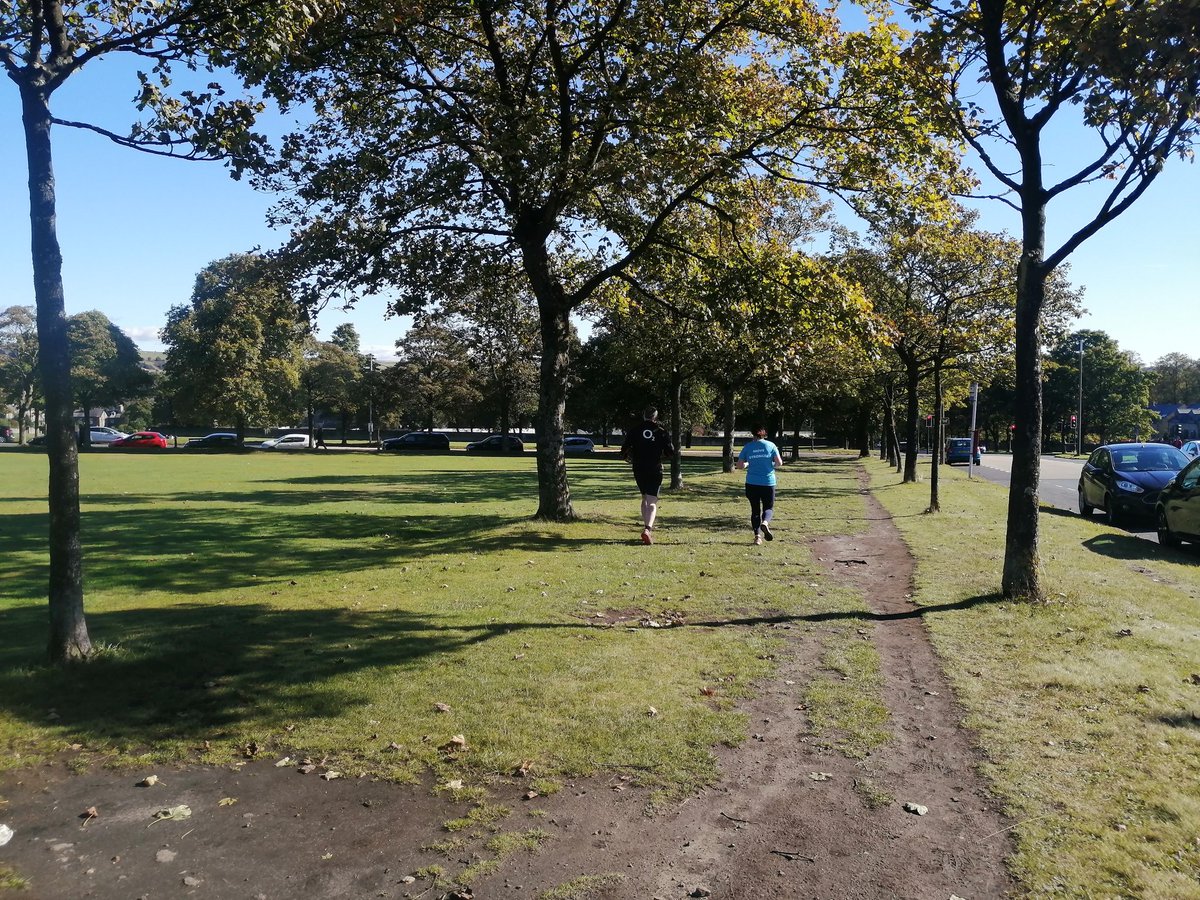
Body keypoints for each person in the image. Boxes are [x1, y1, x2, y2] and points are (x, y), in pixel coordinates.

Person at [621, 406, 675, 544]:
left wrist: (631, 456)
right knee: (652, 501)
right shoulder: (661, 432)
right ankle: (647, 529)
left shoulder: (635, 430)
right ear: (655, 417)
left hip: (638, 468)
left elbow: (624, 451)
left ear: (643, 416)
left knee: (644, 497)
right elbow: (671, 452)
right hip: (655, 468)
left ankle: (646, 528)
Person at [737, 426, 783, 545]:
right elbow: (779, 463)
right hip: (768, 482)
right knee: (768, 507)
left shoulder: (748, 447)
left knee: (755, 510)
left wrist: (748, 463)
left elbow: (740, 465)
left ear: (753, 434)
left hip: (752, 483)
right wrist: (769, 464)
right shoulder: (771, 445)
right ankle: (765, 523)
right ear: (764, 434)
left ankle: (757, 537)